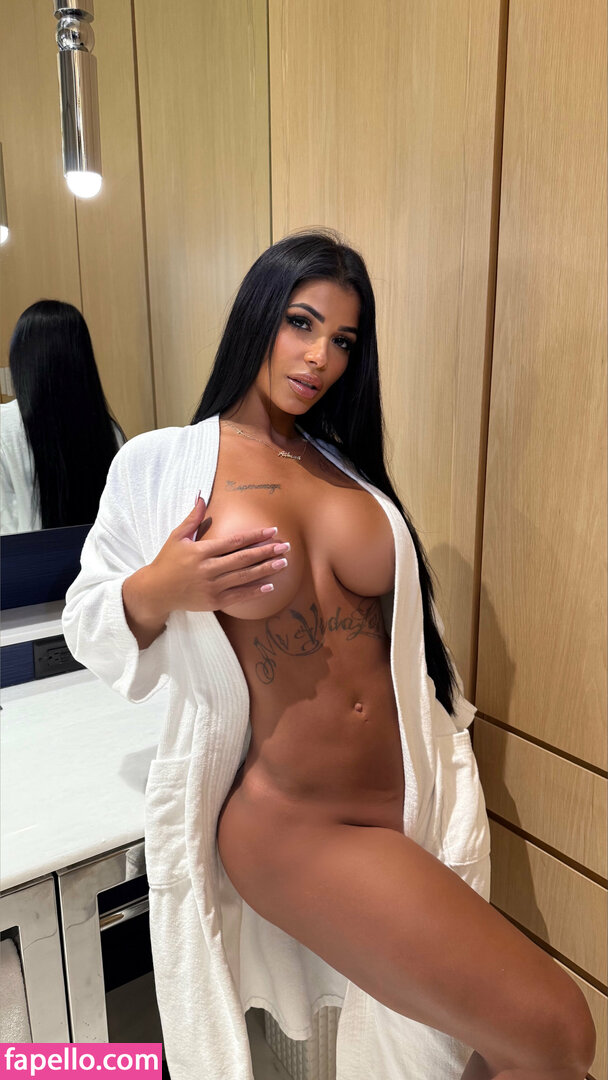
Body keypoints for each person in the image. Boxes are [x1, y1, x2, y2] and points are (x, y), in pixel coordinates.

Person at [61, 228, 595, 1080]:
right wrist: (162, 587)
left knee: (491, 1043)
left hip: (404, 808)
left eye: (343, 340)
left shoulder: (346, 468)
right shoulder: (161, 464)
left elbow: (406, 640)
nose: (320, 358)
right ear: (258, 316)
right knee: (558, 1030)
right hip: (295, 824)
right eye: (301, 324)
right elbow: (87, 622)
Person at [1, 300, 126, 534]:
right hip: (101, 556)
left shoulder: (3, 426)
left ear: (21, 360)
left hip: (23, 557)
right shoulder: (108, 431)